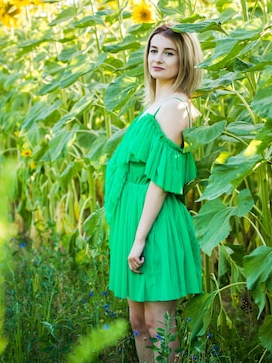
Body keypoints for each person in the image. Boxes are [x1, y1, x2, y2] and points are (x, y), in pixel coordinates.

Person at [104, 24, 204, 363]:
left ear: (184, 60)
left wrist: (139, 238)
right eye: (153, 50)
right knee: (137, 322)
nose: (158, 58)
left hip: (154, 222)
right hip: (133, 215)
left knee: (157, 323)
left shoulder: (176, 107)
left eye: (169, 52)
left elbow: (160, 181)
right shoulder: (154, 104)